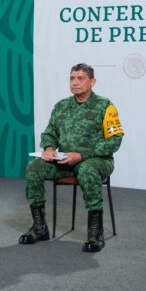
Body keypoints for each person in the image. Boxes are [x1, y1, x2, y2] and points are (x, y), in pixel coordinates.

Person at [19, 63, 124, 252]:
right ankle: (39, 227)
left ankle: (95, 234)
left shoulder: (105, 106)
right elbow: (49, 133)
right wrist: (50, 148)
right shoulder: (61, 106)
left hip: (97, 160)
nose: (75, 83)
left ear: (92, 82)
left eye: (80, 78)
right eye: (72, 78)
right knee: (33, 168)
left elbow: (115, 140)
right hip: (64, 160)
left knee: (87, 171)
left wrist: (82, 155)